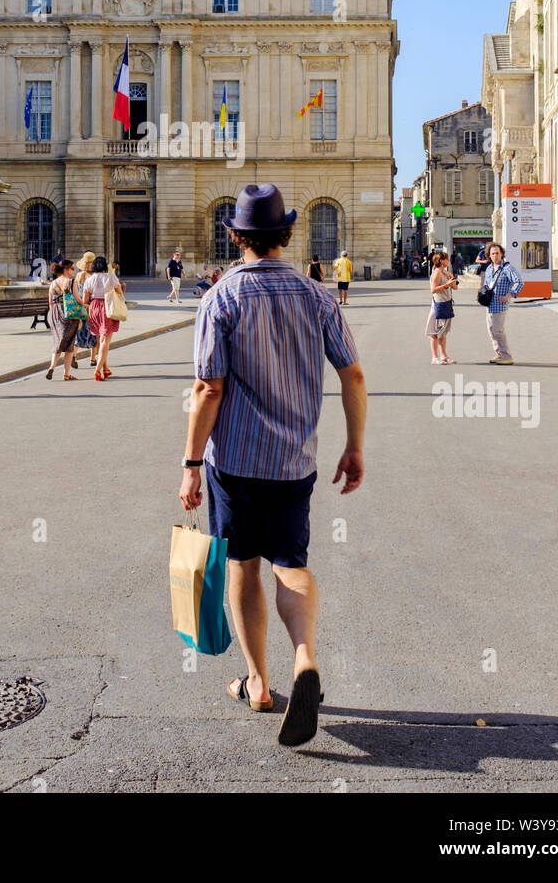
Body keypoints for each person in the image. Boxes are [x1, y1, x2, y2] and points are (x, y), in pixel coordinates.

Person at [180, 183, 367, 749]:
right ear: (287, 234)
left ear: (236, 236)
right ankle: (304, 658)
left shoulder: (221, 298)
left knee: (242, 565)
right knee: (291, 561)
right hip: (295, 462)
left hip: (234, 462)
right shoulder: (318, 297)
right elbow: (353, 376)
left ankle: (259, 683)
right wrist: (354, 445)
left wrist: (191, 462)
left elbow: (209, 389)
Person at [83, 256, 125, 381]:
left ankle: (105, 369)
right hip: (107, 308)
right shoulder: (111, 277)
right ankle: (97, 370)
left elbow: (85, 300)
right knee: (105, 342)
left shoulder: (89, 280)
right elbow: (120, 292)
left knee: (100, 341)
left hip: (94, 307)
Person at [482, 242, 523, 364]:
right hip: (489, 304)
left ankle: (507, 356)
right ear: (489, 255)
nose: (495, 256)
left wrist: (509, 295)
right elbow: (487, 284)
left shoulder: (507, 268)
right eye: (492, 254)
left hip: (500, 304)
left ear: (502, 254)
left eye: (497, 253)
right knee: (491, 331)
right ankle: (499, 353)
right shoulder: (489, 268)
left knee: (498, 331)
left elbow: (519, 282)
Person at [46, 259, 84, 381]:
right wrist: (87, 305)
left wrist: (54, 317)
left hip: (55, 313)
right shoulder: (71, 282)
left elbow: (50, 303)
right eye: (72, 268)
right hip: (69, 314)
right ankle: (66, 374)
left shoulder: (53, 283)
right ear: (66, 269)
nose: (73, 271)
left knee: (58, 341)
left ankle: (52, 366)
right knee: (69, 345)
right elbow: (78, 299)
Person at [426, 250, 458, 365]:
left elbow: (455, 288)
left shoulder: (445, 272)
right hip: (438, 305)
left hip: (446, 303)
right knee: (435, 332)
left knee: (443, 332)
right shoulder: (436, 273)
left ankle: (444, 356)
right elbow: (433, 290)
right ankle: (435, 357)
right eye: (447, 259)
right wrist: (446, 285)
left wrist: (452, 280)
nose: (449, 261)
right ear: (441, 261)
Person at [74, 252, 98, 366]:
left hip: (80, 307)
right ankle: (93, 359)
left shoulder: (79, 275)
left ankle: (74, 356)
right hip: (90, 307)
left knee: (78, 331)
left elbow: (75, 292)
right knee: (93, 332)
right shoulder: (93, 277)